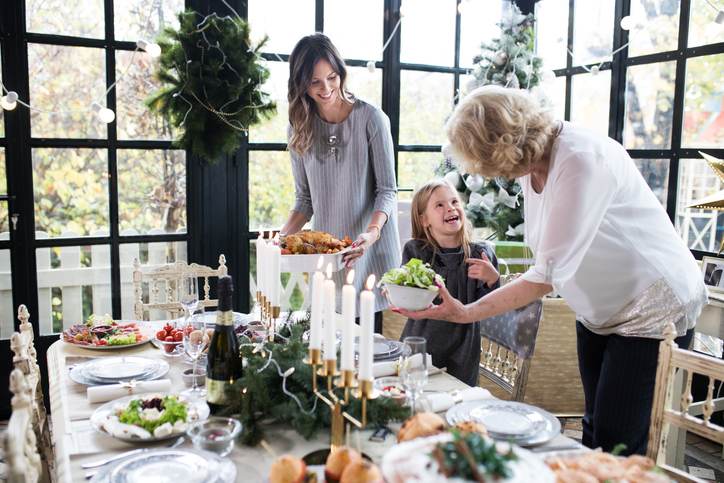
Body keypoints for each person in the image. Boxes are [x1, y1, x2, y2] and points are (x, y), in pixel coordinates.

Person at [395, 85, 708, 455]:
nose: (495, 175)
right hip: (598, 312)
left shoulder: (580, 159)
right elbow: (550, 253)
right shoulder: (532, 165)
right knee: (594, 432)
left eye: (488, 162)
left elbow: (545, 274)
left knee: (616, 443)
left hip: (654, 306)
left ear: (504, 145)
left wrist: (464, 313)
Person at [280, 34, 400, 332]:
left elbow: (387, 191)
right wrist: (278, 240)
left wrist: (370, 234)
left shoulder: (372, 119)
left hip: (372, 250)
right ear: (301, 85)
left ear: (340, 73)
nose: (326, 88)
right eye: (315, 82)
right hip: (331, 258)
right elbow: (304, 201)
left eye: (331, 77)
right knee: (333, 347)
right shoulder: (299, 126)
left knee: (368, 352)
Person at [398, 179, 500, 386]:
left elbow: (488, 307)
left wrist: (492, 279)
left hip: (463, 350)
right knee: (415, 396)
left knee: (457, 401)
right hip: (421, 344)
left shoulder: (481, 254)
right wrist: (397, 288)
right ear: (424, 219)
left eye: (455, 202)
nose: (451, 208)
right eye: (440, 205)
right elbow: (408, 296)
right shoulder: (416, 251)